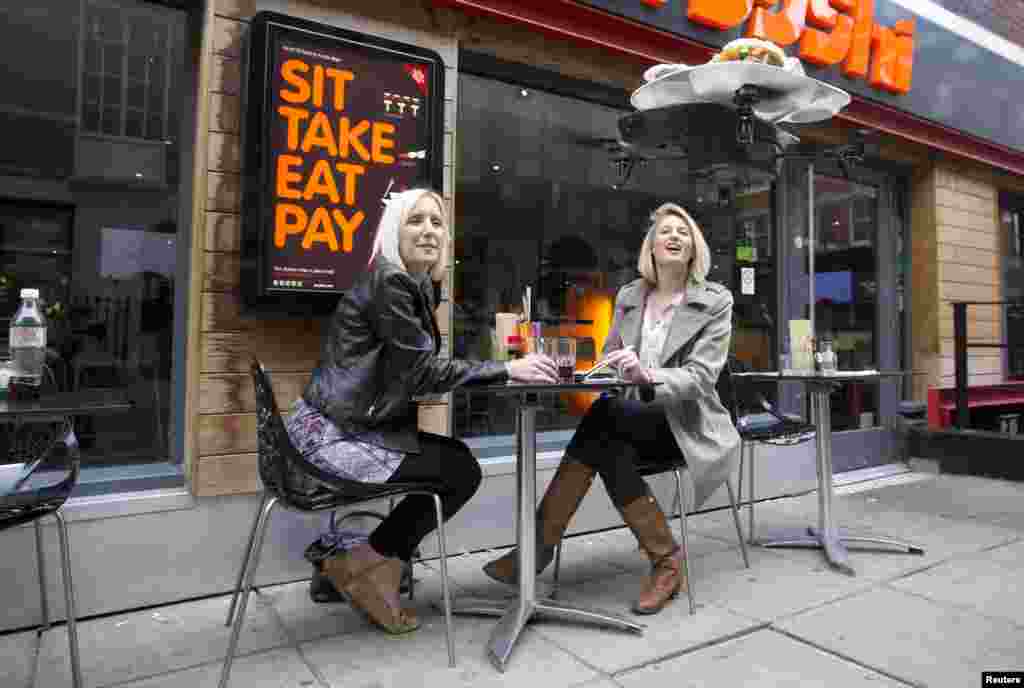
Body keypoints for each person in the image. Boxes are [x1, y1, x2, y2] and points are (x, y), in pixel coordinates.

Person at [288, 188, 557, 634]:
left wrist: (499, 370)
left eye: (437, 222)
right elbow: (422, 371)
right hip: (332, 440)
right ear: (395, 229)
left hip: (341, 429)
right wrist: (509, 370)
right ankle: (368, 564)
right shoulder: (390, 282)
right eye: (416, 221)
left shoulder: (407, 284)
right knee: (458, 470)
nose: (429, 230)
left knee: (455, 465)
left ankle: (367, 563)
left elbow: (412, 372)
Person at [483, 202, 741, 615]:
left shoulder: (715, 301)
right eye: (665, 232)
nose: (674, 237)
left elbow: (701, 378)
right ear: (651, 247)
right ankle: (666, 561)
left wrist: (645, 376)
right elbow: (609, 359)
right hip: (628, 422)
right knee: (608, 435)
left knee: (604, 421)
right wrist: (590, 376)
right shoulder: (629, 296)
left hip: (686, 423)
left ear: (694, 247)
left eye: (683, 232)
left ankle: (535, 551)